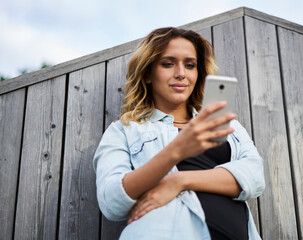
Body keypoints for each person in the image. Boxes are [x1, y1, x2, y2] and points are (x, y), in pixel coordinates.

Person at [93, 27, 265, 240]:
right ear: (147, 73)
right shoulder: (124, 130)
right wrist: (174, 152)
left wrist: (178, 181)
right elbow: (111, 202)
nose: (181, 73)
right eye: (168, 64)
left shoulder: (226, 123)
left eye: (190, 65)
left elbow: (255, 177)